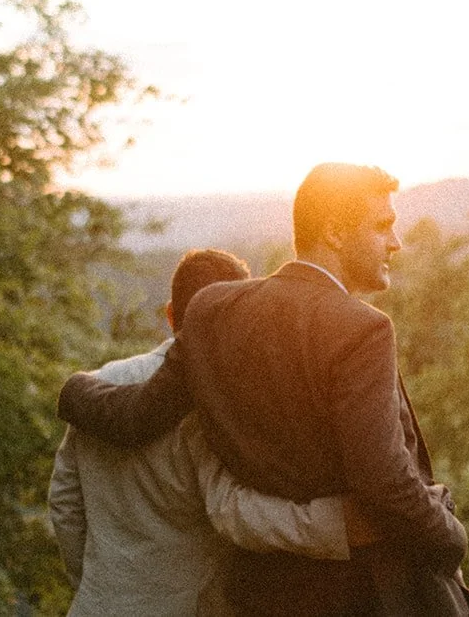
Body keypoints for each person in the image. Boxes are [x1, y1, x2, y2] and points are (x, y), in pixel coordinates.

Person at [58, 164, 469, 617]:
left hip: (262, 593)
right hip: (369, 591)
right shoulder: (364, 330)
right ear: (335, 233)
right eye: (382, 227)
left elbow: (135, 417)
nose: (395, 242)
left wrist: (74, 390)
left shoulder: (214, 309)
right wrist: (451, 537)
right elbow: (383, 481)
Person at [49, 248, 353, 617]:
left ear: (169, 315)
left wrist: (101, 587)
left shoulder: (102, 384)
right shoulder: (214, 405)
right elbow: (233, 512)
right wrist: (342, 523)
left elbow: (65, 503)